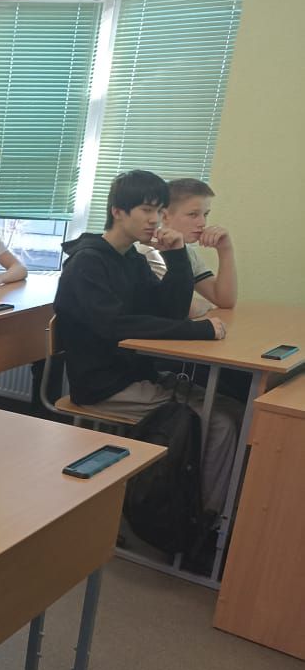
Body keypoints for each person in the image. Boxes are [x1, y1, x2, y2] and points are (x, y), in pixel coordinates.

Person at [54, 170, 240, 522]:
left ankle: (202, 509)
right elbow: (115, 326)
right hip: (103, 385)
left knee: (233, 409)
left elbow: (166, 311)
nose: (154, 220)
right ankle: (203, 520)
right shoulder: (88, 262)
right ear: (118, 211)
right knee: (220, 423)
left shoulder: (131, 259)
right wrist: (197, 331)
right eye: (146, 210)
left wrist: (177, 255)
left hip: (135, 374)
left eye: (158, 211)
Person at [138, 178, 238, 319]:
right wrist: (206, 304)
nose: (202, 223)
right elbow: (178, 308)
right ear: (164, 216)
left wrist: (225, 249)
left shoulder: (187, 251)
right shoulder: (149, 252)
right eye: (193, 214)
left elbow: (225, 300)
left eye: (205, 214)